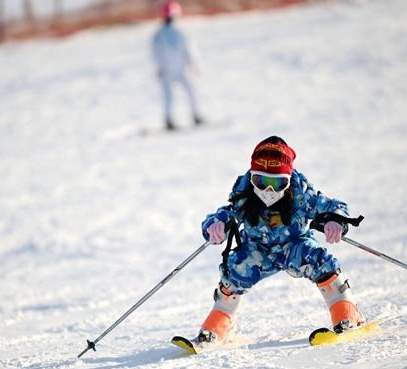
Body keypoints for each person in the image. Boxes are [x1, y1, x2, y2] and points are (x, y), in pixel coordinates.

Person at [192, 136, 366, 347]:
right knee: (235, 269)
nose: (269, 190)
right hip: (256, 249)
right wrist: (216, 224)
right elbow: (225, 212)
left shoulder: (301, 193)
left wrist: (335, 220)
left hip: (293, 245)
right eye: (261, 181)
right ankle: (220, 322)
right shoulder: (244, 193)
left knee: (318, 261)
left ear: (288, 179)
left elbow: (332, 205)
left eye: (278, 183)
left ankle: (346, 310)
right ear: (252, 178)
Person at [151, 1, 203, 131]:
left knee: (169, 95)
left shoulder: (159, 34)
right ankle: (196, 116)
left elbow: (155, 53)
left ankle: (169, 120)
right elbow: (189, 49)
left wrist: (159, 66)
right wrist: (194, 64)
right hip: (180, 69)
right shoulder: (181, 32)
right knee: (191, 91)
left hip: (167, 70)